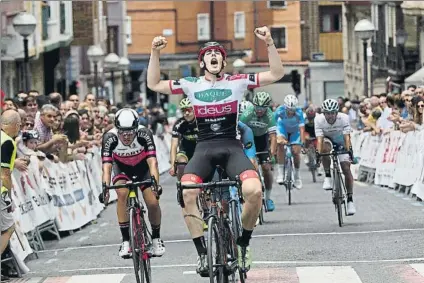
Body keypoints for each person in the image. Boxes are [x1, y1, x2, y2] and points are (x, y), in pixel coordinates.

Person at [146, 26, 284, 275]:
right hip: (204, 149)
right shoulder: (191, 84)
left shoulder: (237, 81)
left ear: (223, 61)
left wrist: (270, 43)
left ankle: (243, 244)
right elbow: (154, 83)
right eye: (208, 53)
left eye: (217, 53)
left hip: (232, 147)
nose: (213, 56)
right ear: (202, 62)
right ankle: (201, 253)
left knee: (254, 191)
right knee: (188, 192)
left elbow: (276, 73)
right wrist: (154, 53)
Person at [99, 108, 165, 258]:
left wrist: (156, 184)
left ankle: (156, 238)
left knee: (153, 202)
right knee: (122, 193)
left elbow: (153, 162)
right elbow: (107, 167)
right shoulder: (109, 137)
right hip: (122, 168)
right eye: (122, 132)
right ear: (117, 128)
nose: (126, 136)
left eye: (130, 132)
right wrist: (105, 188)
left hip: (143, 168)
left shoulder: (144, 134)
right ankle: (126, 241)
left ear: (136, 128)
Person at [314, 99, 356, 215]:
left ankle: (350, 200)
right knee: (324, 149)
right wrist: (318, 154)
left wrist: (349, 151)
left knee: (346, 169)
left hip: (340, 140)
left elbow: (347, 137)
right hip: (327, 140)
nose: (330, 116)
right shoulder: (319, 120)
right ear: (324, 113)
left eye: (333, 113)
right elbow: (320, 140)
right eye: (327, 113)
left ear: (337, 113)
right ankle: (328, 176)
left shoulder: (344, 118)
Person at [239, 92, 277, 211]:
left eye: (263, 108)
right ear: (254, 105)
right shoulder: (247, 113)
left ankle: (269, 198)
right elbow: (238, 132)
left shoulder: (270, 116)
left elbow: (273, 137)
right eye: (258, 107)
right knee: (250, 167)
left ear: (267, 107)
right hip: (249, 139)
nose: (260, 110)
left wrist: (272, 154)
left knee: (266, 168)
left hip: (262, 140)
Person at [1, 109, 21, 281]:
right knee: (8, 228)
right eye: (19, 124)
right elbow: (4, 173)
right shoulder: (7, 142)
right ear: (13, 125)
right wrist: (9, 193)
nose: (20, 127)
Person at [274, 95, 305, 189]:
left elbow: (302, 129)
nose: (291, 112)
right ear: (285, 107)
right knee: (280, 144)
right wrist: (275, 138)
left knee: (296, 152)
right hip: (282, 129)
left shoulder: (299, 112)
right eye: (289, 110)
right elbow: (273, 124)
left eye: (293, 110)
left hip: (295, 132)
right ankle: (280, 173)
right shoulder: (279, 110)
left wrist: (302, 142)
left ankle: (297, 176)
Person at [169, 98, 198, 180]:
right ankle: (182, 187)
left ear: (195, 109)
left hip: (200, 150)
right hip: (185, 151)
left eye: (189, 110)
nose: (187, 113)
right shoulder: (179, 124)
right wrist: (172, 166)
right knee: (181, 163)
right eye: (184, 111)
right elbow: (174, 146)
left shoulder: (200, 121)